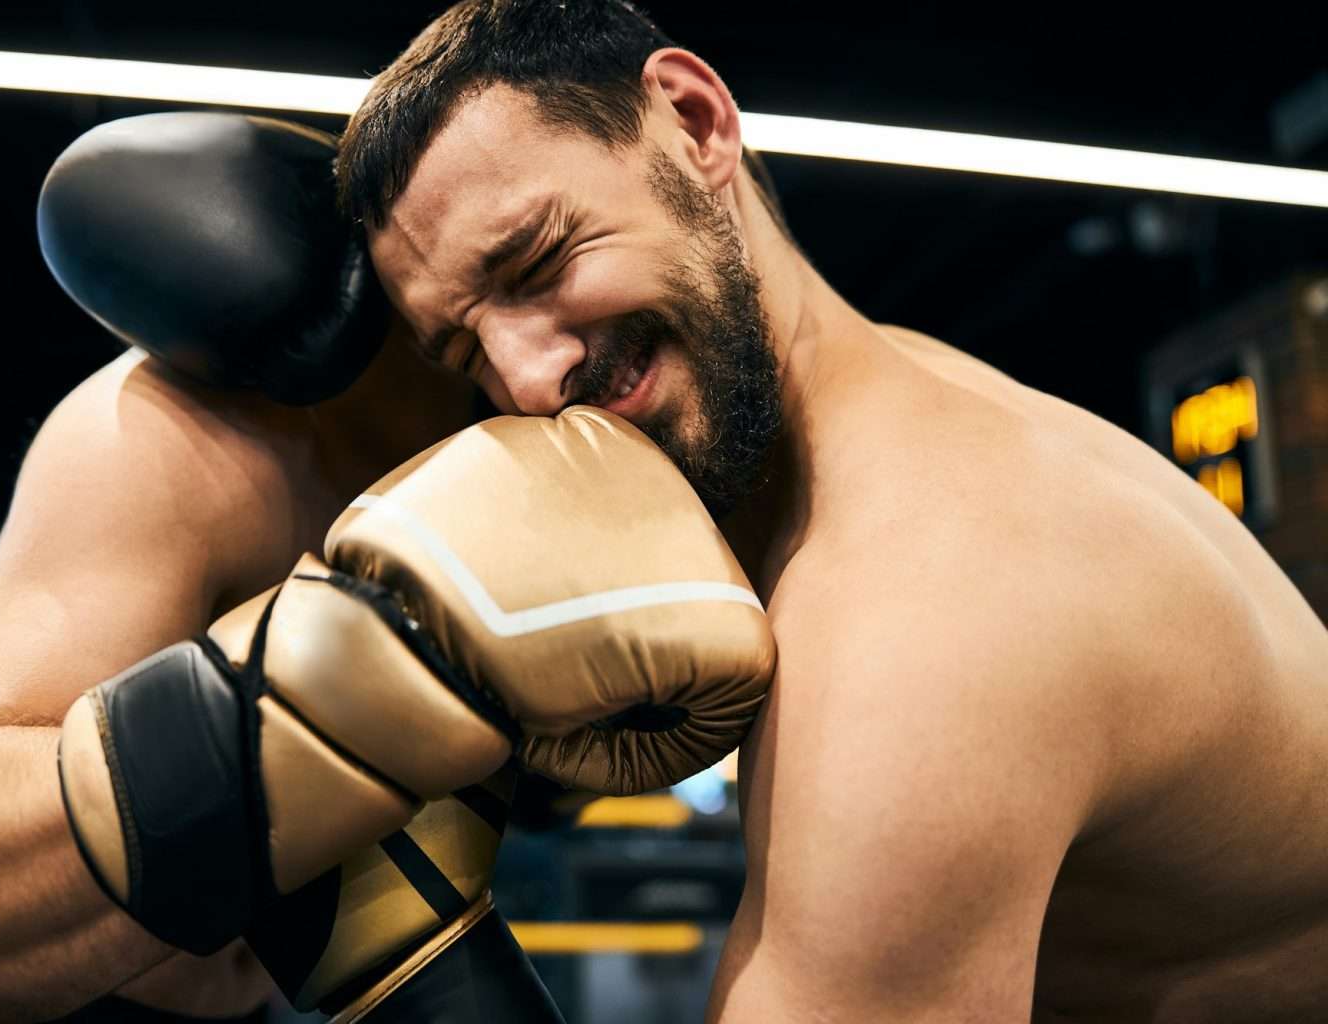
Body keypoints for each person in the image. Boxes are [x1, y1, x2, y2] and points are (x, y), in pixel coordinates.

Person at [336, 1, 1328, 1019]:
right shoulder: (896, 404)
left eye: (540, 260)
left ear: (694, 121)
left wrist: (412, 964)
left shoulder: (924, 619)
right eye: (466, 355)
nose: (527, 379)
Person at [0, 112, 775, 1022]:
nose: (533, 362)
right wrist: (331, 683)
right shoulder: (180, 443)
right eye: (521, 257)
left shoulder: (650, 463)